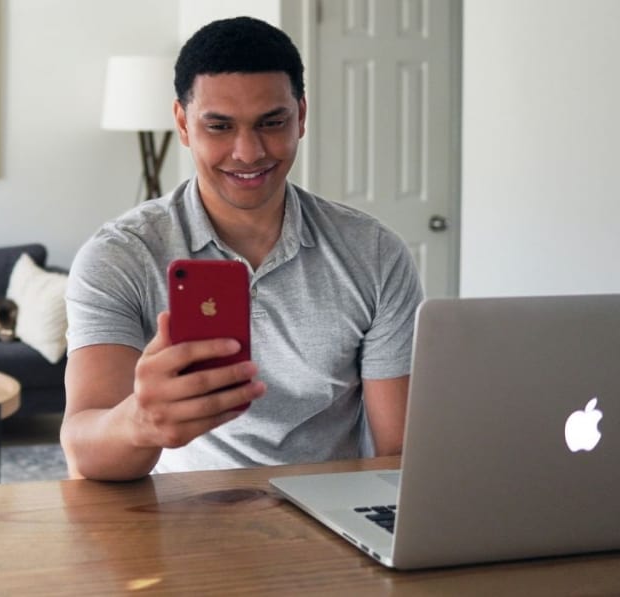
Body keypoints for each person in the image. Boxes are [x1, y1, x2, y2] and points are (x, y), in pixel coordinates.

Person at [61, 16, 423, 481]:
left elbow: (396, 454)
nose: (249, 152)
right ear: (183, 124)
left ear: (302, 116)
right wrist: (140, 422)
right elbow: (84, 452)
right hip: (175, 520)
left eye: (272, 123)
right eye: (219, 127)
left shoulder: (374, 253)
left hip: (328, 524)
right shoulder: (120, 257)